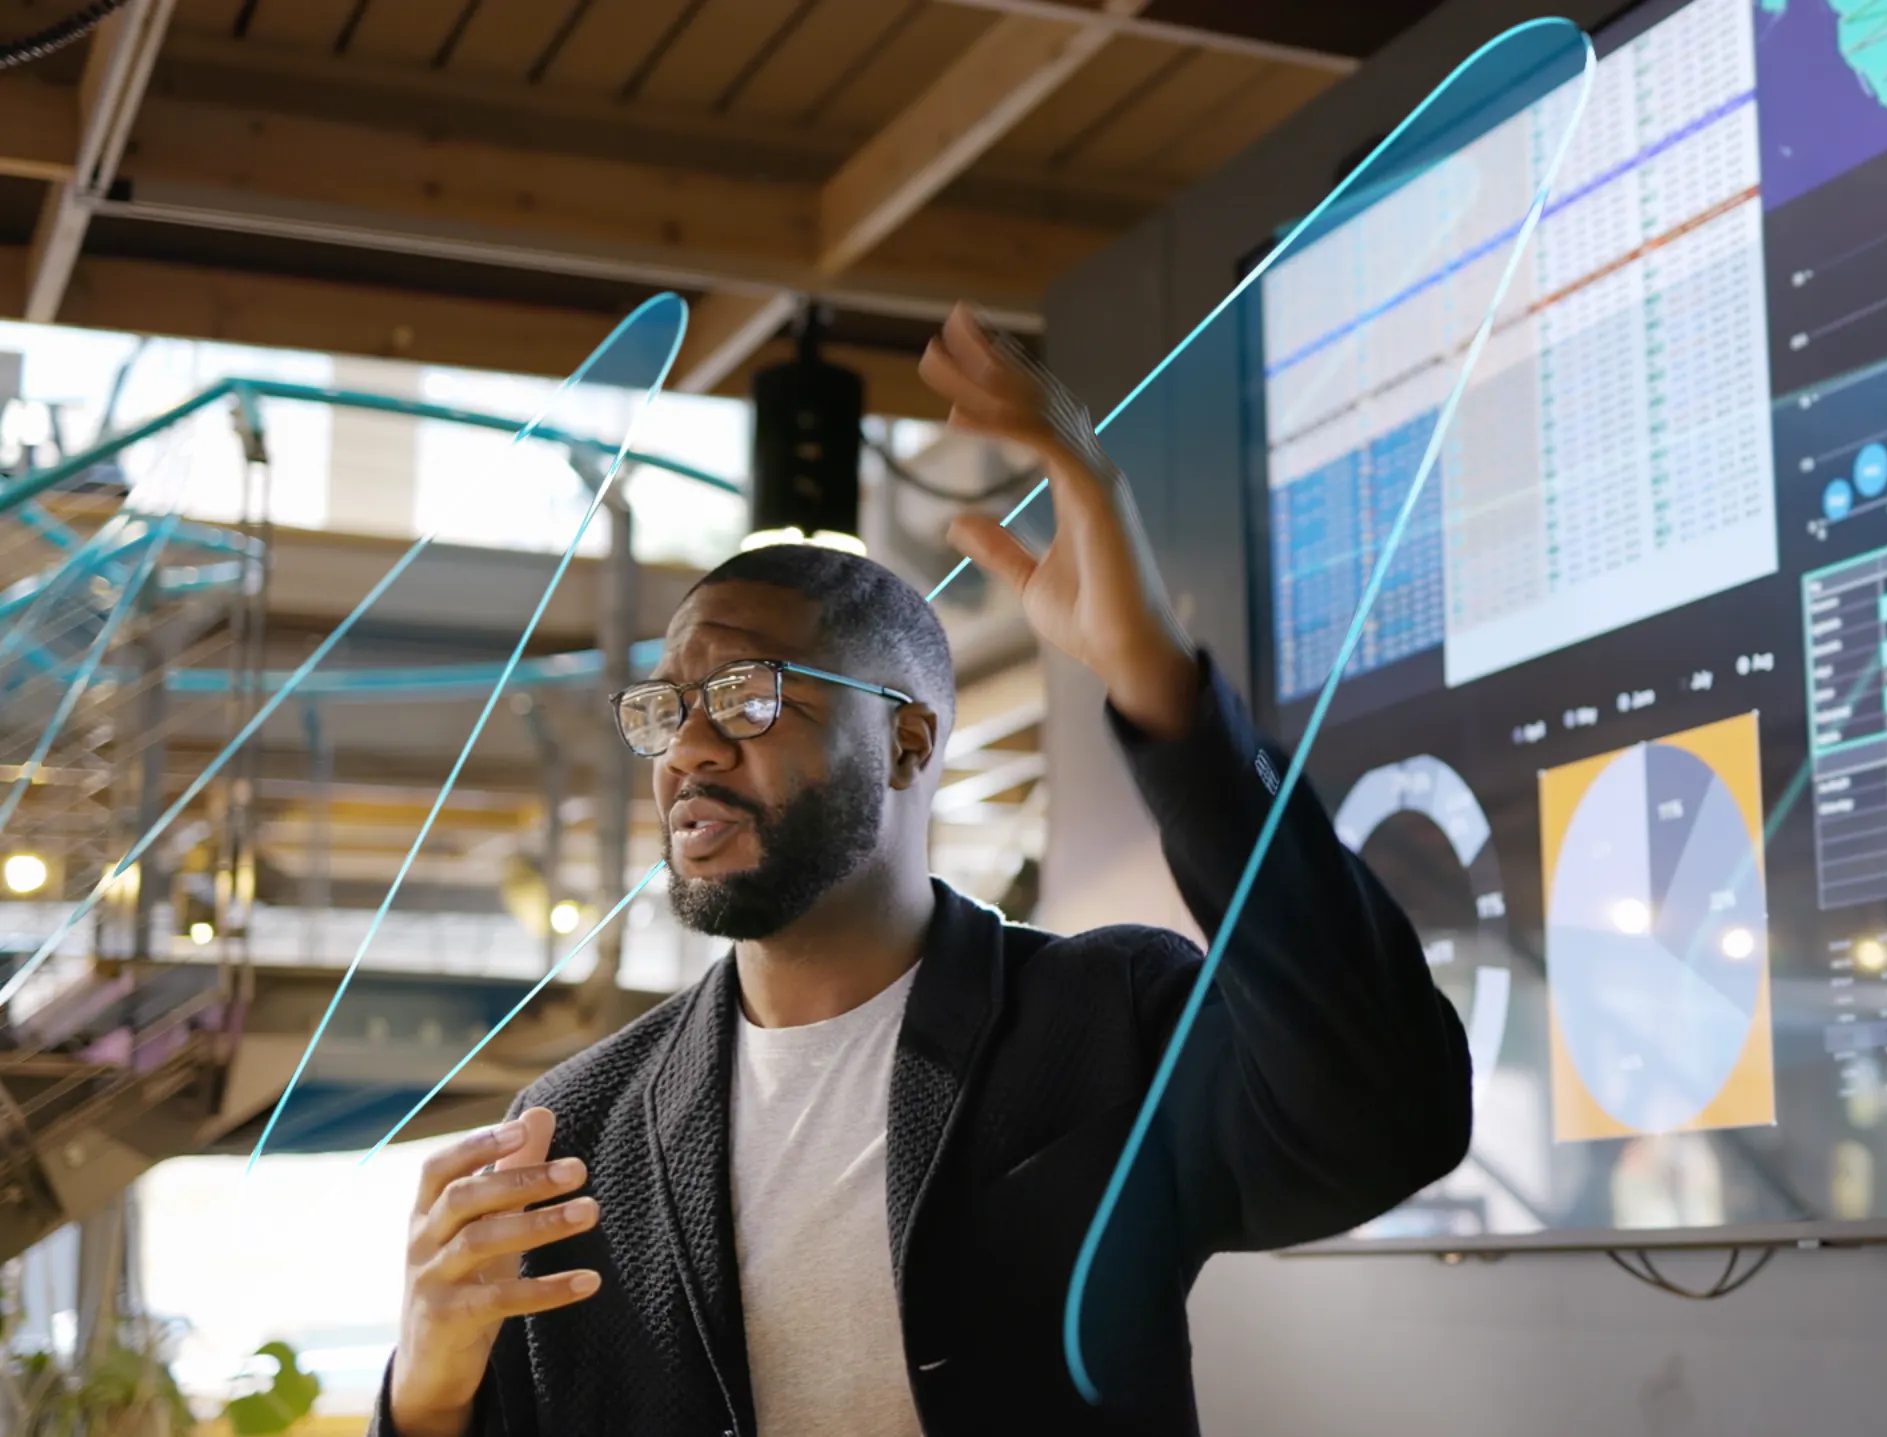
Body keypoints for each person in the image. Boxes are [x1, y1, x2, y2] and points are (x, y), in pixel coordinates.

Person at [370, 306, 1473, 1436]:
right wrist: (427, 1396)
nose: (692, 749)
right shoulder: (576, 1129)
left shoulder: (1105, 1023)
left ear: (907, 742)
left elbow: (1388, 1116)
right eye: (668, 711)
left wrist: (1157, 686)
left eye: (751, 696)